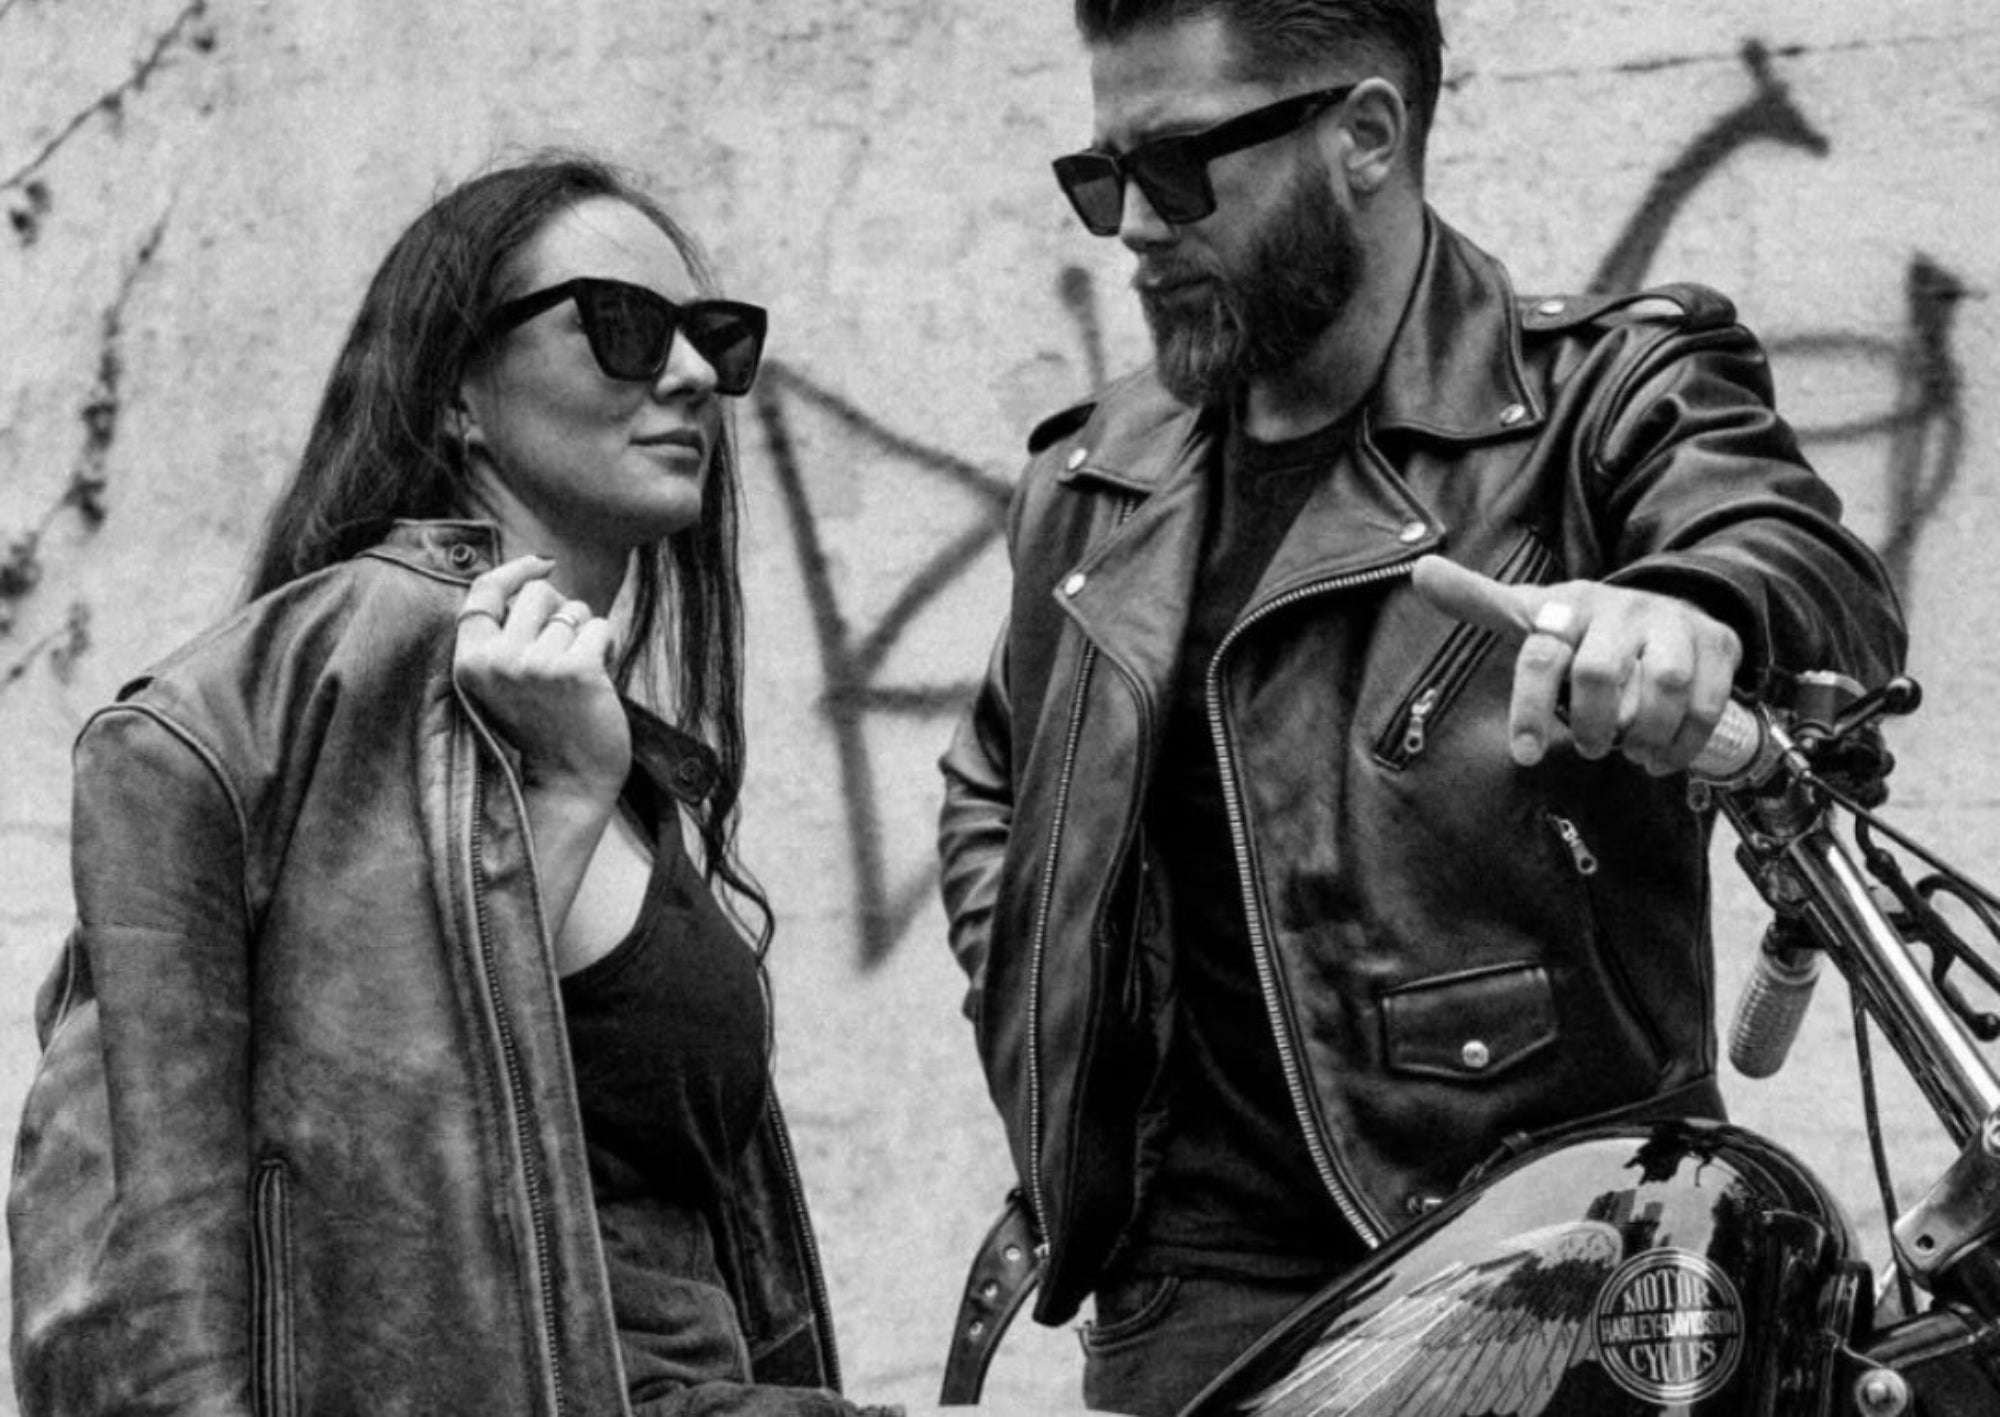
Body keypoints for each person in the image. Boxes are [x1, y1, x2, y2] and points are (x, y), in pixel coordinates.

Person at [935, 3, 1907, 1414]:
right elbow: (998, 783)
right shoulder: (1094, 486)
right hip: (1198, 1304)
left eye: (1178, 169)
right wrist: (1063, 1029)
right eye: (1103, 177)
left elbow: (1803, 563)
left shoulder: (1599, 397)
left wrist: (1692, 608)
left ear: (1367, 136)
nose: (1131, 228)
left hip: (1551, 1272)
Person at [9, 153, 891, 1417]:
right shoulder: (364, 674)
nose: (692, 374)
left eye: (713, 337)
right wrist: (572, 796)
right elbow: (351, 1168)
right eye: (624, 328)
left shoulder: (575, 724)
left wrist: (590, 778)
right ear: (458, 392)